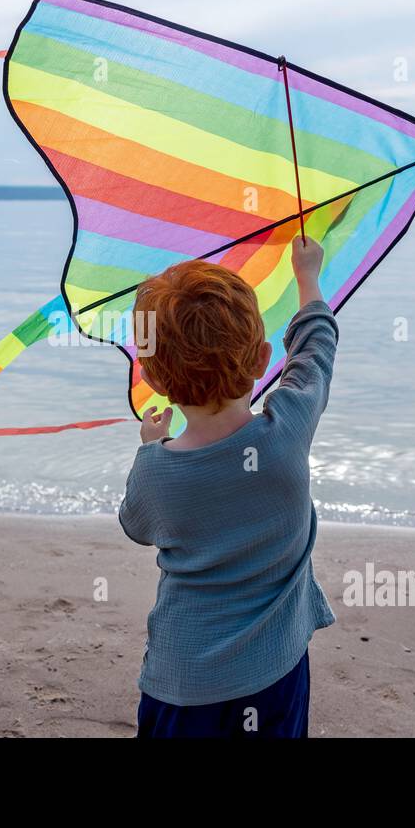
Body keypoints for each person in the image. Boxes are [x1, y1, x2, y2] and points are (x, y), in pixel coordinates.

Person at [118, 234, 338, 737]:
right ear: (262, 361)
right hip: (272, 677)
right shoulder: (287, 432)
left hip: (181, 684)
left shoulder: (156, 470)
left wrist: (150, 446)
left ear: (151, 376)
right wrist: (307, 274)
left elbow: (136, 525)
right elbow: (316, 351)